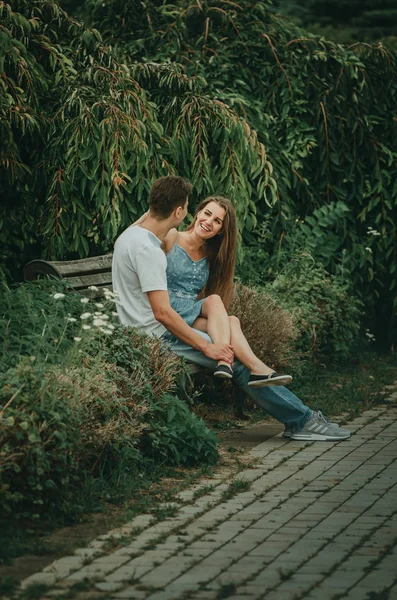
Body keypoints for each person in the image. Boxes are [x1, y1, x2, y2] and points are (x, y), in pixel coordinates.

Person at [112, 175, 351, 441]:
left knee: (230, 324)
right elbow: (163, 313)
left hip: (161, 324)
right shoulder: (151, 248)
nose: (205, 220)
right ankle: (302, 420)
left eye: (217, 221)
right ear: (180, 211)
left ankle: (277, 389)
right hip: (157, 334)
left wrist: (157, 205)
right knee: (234, 360)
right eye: (198, 210)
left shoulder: (130, 237)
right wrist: (209, 347)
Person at [136, 195, 292, 388]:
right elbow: (137, 241)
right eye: (207, 214)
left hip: (188, 312)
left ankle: (256, 369)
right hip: (166, 310)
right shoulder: (173, 236)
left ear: (221, 230)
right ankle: (233, 364)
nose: (209, 222)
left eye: (217, 221)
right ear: (198, 212)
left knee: (232, 320)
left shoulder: (211, 255)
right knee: (218, 305)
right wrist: (147, 216)